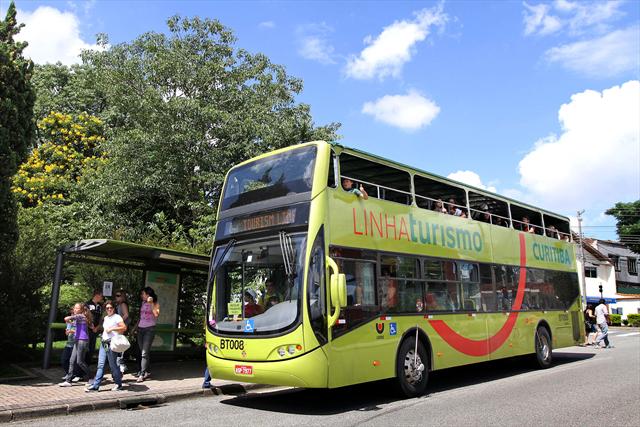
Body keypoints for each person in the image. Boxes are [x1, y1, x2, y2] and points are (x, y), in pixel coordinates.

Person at [85, 300, 127, 392]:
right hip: (104, 343)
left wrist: (112, 328)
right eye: (107, 308)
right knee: (100, 365)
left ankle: (118, 384)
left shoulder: (117, 317)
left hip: (112, 343)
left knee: (113, 365)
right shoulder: (106, 318)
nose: (109, 309)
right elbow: (104, 329)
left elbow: (124, 327)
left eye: (110, 308)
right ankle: (96, 386)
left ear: (114, 309)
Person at [59, 303, 92, 386]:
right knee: (71, 360)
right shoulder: (78, 319)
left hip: (82, 341)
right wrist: (69, 328)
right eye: (74, 308)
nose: (75, 310)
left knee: (80, 361)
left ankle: (92, 377)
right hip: (77, 340)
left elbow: (70, 318)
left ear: (81, 310)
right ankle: (68, 380)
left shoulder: (81, 316)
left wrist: (69, 318)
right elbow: (75, 326)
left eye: (77, 308)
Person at [136, 287, 160, 382]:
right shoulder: (143, 303)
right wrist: (135, 328)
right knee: (143, 352)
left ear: (148, 295)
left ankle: (142, 374)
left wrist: (151, 304)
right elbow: (140, 317)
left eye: (143, 294)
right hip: (140, 329)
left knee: (144, 353)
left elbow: (156, 315)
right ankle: (147, 371)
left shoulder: (155, 303)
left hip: (149, 329)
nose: (142, 295)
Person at [85, 289, 104, 366]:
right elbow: (85, 316)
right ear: (97, 295)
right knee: (85, 348)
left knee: (91, 349)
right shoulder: (87, 304)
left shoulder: (100, 306)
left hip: (95, 330)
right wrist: (91, 326)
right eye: (101, 296)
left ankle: (87, 367)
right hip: (87, 330)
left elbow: (101, 318)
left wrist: (98, 327)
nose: (102, 297)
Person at [114, 289, 130, 374]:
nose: (116, 297)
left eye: (118, 295)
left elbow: (126, 315)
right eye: (116, 295)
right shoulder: (119, 304)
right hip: (120, 328)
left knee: (120, 346)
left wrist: (118, 323)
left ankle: (121, 365)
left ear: (123, 296)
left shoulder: (123, 304)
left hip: (121, 328)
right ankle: (120, 365)